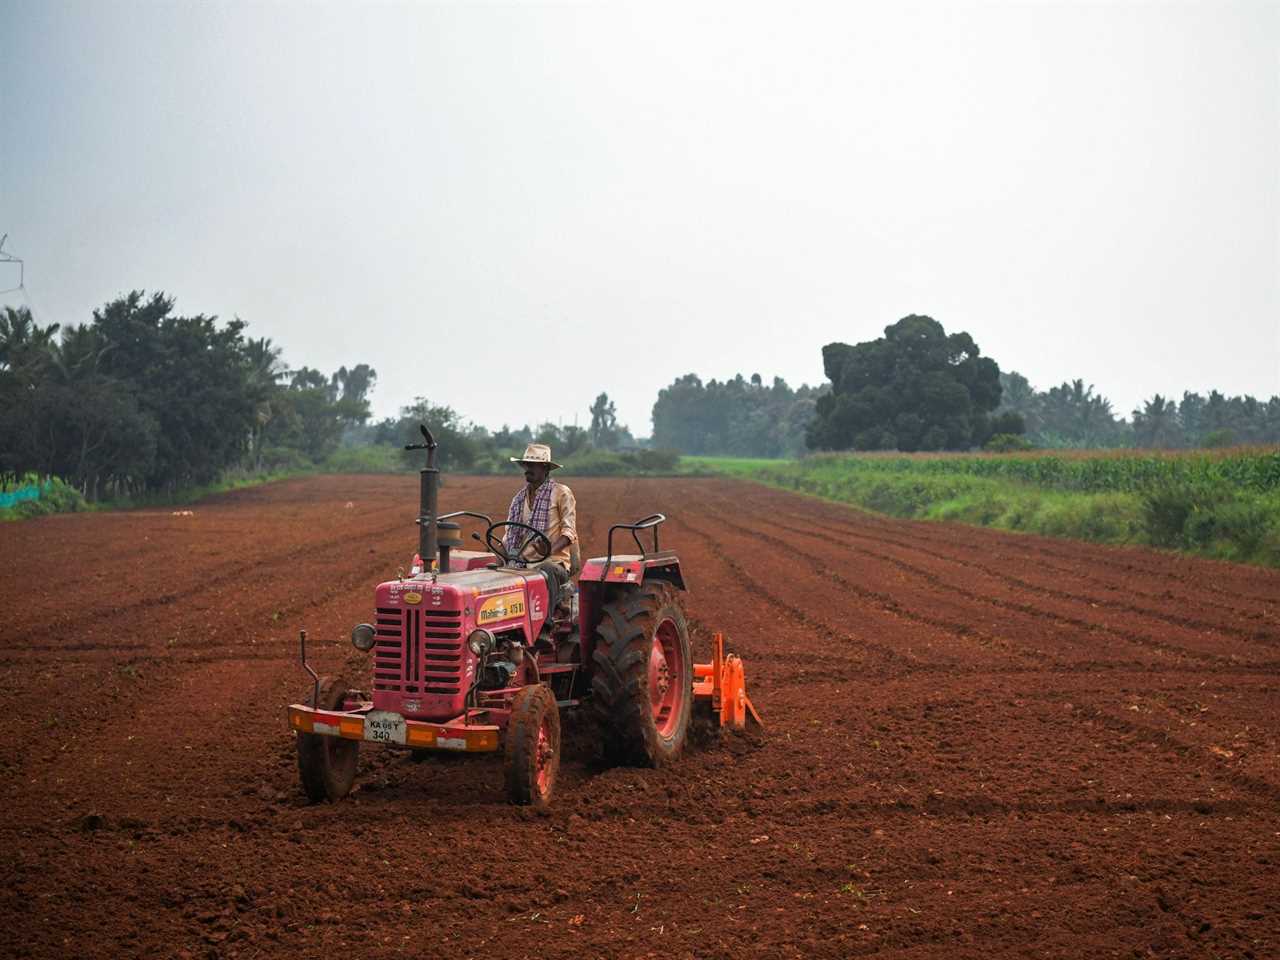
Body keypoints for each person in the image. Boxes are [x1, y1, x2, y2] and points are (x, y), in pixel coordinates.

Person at [504, 443, 578, 575]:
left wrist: (548, 551)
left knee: (546, 570)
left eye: (532, 465)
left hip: (553, 562)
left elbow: (569, 532)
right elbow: (510, 535)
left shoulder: (561, 493)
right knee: (491, 569)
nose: (527, 469)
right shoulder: (518, 499)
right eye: (526, 465)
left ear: (545, 468)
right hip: (522, 564)